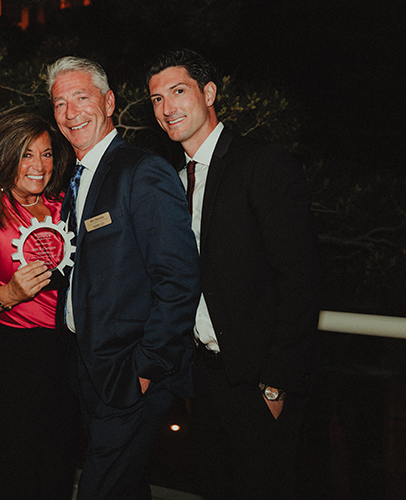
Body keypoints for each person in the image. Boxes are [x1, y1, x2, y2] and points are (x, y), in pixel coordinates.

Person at [146, 48, 322, 500]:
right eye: (156, 99)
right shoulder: (173, 178)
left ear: (209, 93)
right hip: (204, 380)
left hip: (259, 384)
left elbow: (300, 279)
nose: (167, 108)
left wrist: (276, 383)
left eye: (178, 91)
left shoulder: (261, 163)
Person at [48, 56, 201, 500]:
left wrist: (146, 368)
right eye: (60, 103)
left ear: (109, 101)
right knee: (127, 486)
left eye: (82, 97)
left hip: (130, 372)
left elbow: (178, 279)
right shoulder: (73, 178)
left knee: (99, 488)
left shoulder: (141, 170)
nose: (71, 112)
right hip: (87, 367)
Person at [0, 113, 79, 500]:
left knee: (58, 459)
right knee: (15, 461)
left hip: (66, 349)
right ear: (7, 157)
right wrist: (9, 294)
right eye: (26, 155)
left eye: (46, 154)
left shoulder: (65, 207)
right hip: (15, 351)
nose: (39, 166)